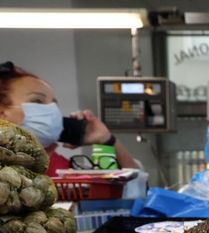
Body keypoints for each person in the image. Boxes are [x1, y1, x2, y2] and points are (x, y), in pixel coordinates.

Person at [0, 61, 140, 177]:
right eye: (38, 101)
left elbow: (135, 186)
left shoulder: (58, 167)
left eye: (54, 104)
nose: (52, 111)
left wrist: (106, 139)